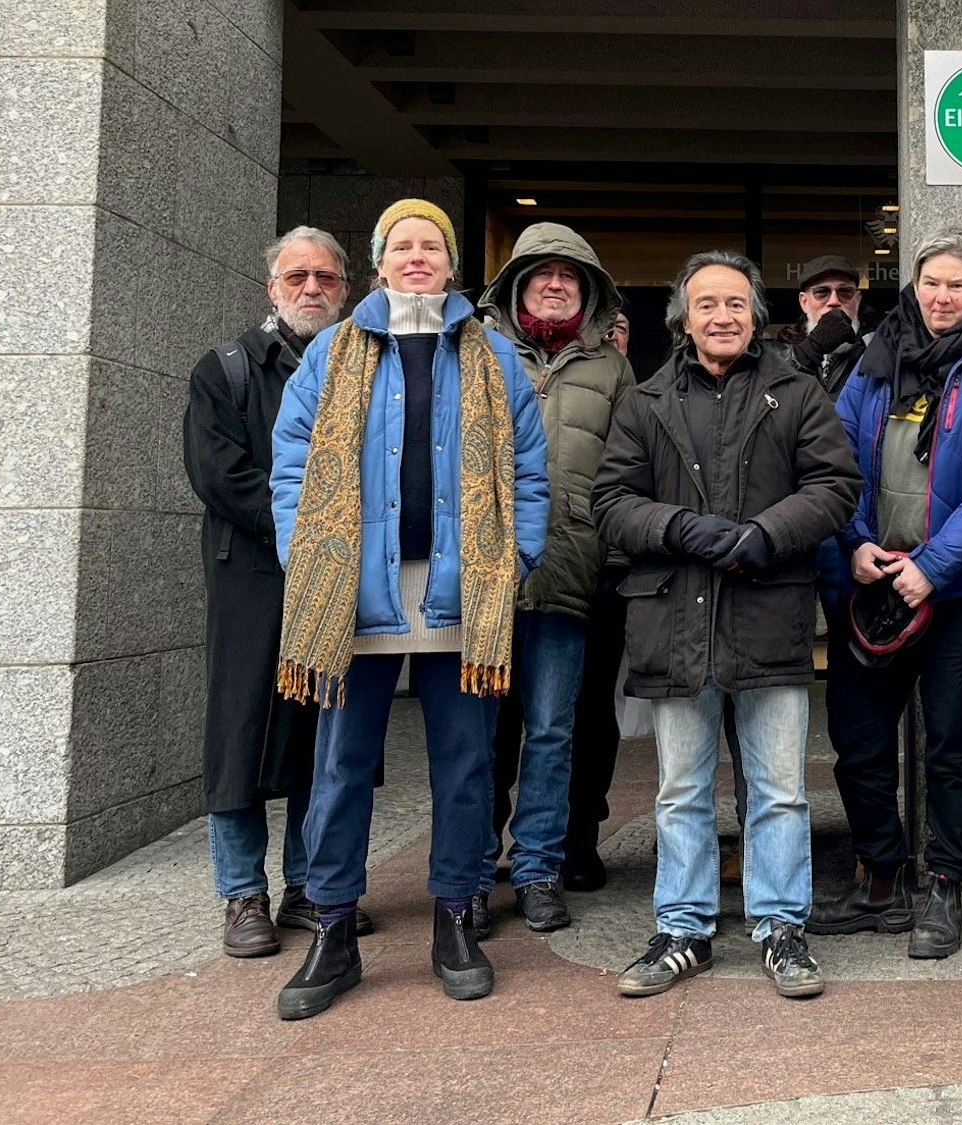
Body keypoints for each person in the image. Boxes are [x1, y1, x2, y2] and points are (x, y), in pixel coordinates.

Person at [269, 199, 550, 1020]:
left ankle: (456, 917)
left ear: (452, 264)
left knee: (465, 764)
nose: (417, 256)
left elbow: (529, 471)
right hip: (353, 593)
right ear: (381, 261)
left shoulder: (494, 356)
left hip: (462, 593)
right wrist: (307, 560)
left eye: (432, 245)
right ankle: (332, 928)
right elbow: (292, 464)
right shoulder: (332, 352)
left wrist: (513, 560)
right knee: (340, 765)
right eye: (403, 245)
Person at [595, 250, 860, 1000]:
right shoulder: (645, 400)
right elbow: (610, 502)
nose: (722, 316)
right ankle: (684, 929)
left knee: (779, 789)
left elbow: (836, 484)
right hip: (674, 620)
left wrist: (766, 534)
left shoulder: (796, 393)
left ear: (756, 316)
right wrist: (679, 527)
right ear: (683, 317)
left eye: (736, 304)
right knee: (681, 789)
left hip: (768, 613)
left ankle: (781, 927)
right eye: (707, 304)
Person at [806, 229, 962, 959]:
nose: (942, 296)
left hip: (957, 594)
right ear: (913, 285)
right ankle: (880, 879)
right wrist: (855, 543)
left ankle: (944, 884)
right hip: (871, 581)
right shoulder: (876, 359)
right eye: (931, 282)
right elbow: (836, 461)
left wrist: (931, 566)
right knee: (858, 741)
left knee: (953, 745)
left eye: (956, 284)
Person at [185, 226, 374, 956]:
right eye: (297, 277)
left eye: (326, 278)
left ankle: (307, 886)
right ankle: (242, 895)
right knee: (238, 739)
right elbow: (220, 475)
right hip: (252, 580)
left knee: (319, 737)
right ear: (272, 288)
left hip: (335, 580)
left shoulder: (365, 366)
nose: (312, 289)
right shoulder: (225, 370)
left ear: (346, 289)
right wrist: (309, 526)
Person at [477, 223, 636, 932]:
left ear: (588, 290)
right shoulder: (474, 350)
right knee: (480, 734)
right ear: (516, 284)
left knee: (552, 730)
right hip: (482, 577)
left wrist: (616, 561)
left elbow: (629, 471)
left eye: (569, 275)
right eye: (541, 272)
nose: (554, 283)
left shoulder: (612, 369)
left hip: (573, 572)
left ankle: (538, 868)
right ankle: (473, 867)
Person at [777, 254, 871, 396]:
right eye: (822, 292)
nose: (834, 301)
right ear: (804, 302)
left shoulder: (875, 353)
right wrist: (811, 349)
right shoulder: (779, 351)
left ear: (857, 301)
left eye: (845, 292)